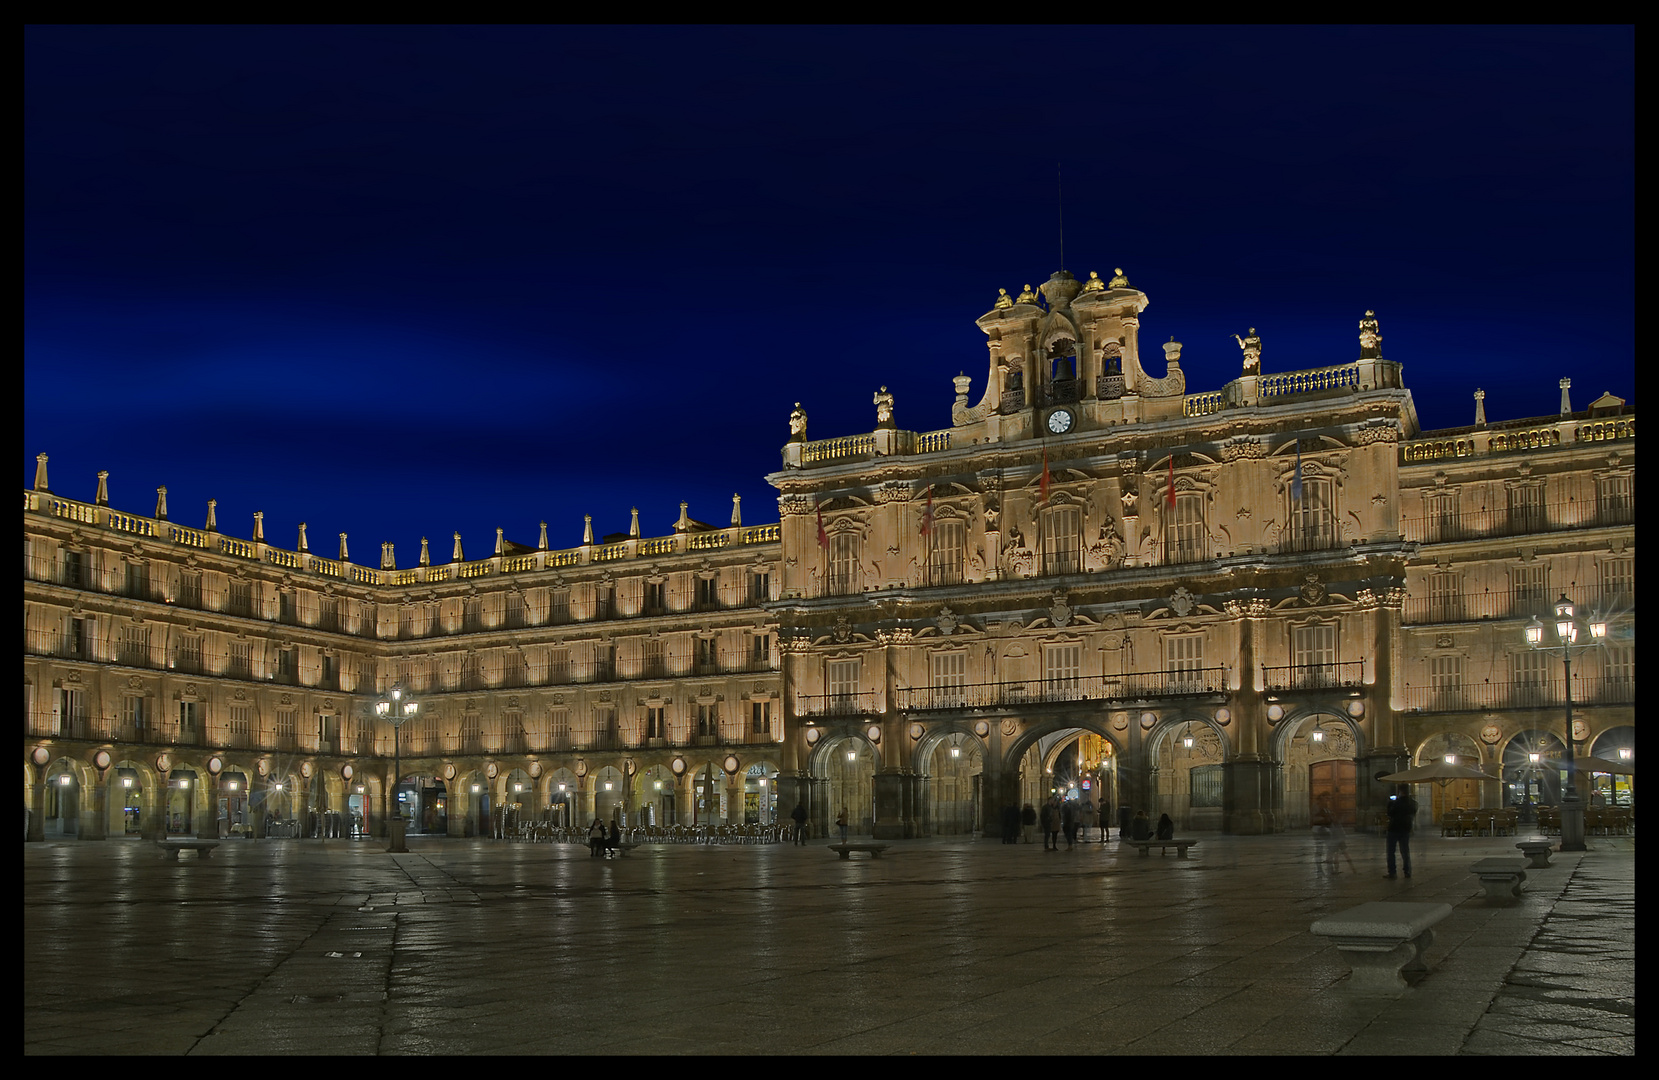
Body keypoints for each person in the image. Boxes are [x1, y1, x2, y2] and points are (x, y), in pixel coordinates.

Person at [1385, 788, 1418, 879]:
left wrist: (1390, 803)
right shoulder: (1412, 803)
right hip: (1406, 828)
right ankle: (1407, 871)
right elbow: (1414, 812)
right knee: (1405, 851)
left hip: (1394, 828)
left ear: (1400, 791)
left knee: (1391, 851)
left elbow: (1390, 813)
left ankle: (1392, 872)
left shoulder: (1396, 802)